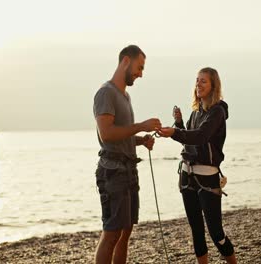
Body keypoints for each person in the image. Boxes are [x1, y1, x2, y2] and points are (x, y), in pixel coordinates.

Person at [158, 67, 237, 264]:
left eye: (203, 81)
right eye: (197, 80)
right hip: (186, 177)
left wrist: (174, 132)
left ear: (213, 86)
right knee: (196, 231)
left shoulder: (217, 112)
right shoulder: (195, 113)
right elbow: (189, 141)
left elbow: (201, 137)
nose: (198, 84)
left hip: (207, 178)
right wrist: (178, 124)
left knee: (216, 233)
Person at [93, 45, 161, 264]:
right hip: (113, 172)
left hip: (129, 170)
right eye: (139, 67)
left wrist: (142, 140)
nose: (140, 73)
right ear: (125, 61)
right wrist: (140, 126)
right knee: (112, 233)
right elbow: (107, 134)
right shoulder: (106, 92)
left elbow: (122, 134)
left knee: (125, 233)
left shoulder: (126, 96)